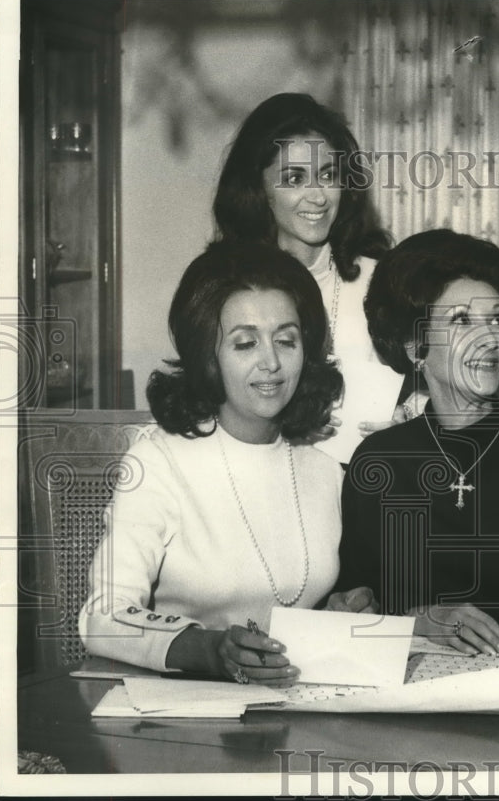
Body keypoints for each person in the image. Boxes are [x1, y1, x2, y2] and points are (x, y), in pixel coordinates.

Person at [79, 241, 373, 684]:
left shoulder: (326, 470)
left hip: (293, 706)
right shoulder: (158, 460)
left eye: (286, 340)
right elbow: (104, 616)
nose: (271, 362)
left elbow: (298, 604)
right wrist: (209, 649)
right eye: (245, 343)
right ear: (208, 356)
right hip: (177, 709)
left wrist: (337, 613)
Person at [336, 230, 499, 653]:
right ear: (415, 346)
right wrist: (419, 621)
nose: (489, 339)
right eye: (461, 321)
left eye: (497, 320)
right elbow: (352, 611)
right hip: (404, 696)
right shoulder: (377, 463)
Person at [213, 93, 406, 465]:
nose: (317, 196)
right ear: (259, 188)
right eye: (295, 178)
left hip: (364, 484)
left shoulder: (381, 278)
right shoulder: (223, 288)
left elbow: (430, 382)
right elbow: (207, 401)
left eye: (328, 175)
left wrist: (409, 420)